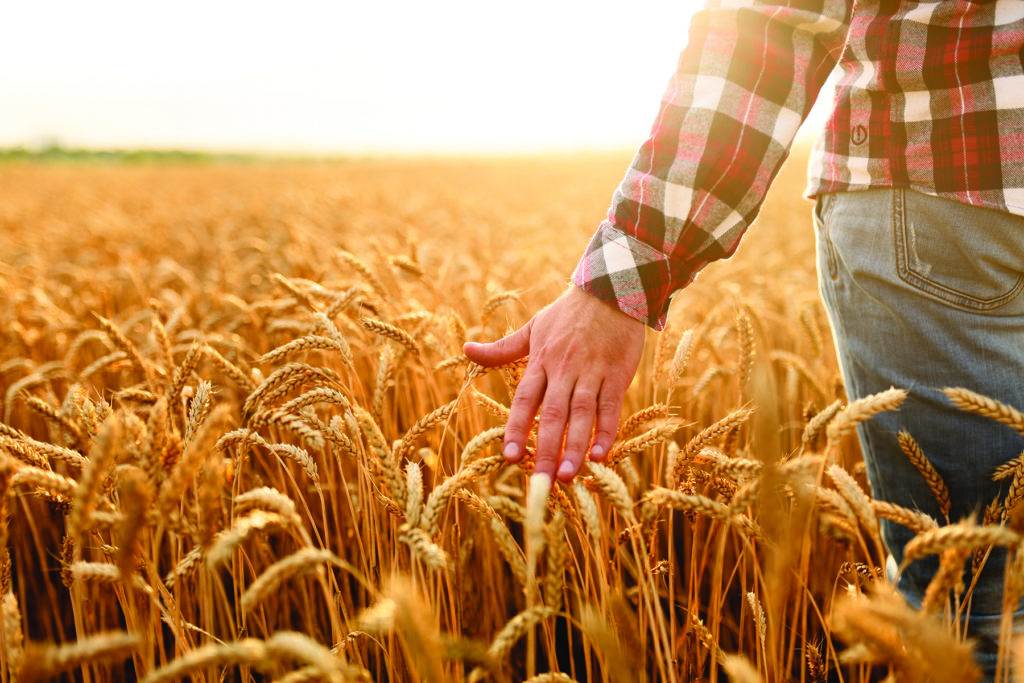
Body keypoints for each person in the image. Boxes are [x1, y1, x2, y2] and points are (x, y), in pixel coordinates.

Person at [463, 0, 1024, 674]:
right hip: (954, 207)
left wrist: (630, 265)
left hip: (940, 186)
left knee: (971, 612)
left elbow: (778, 20)